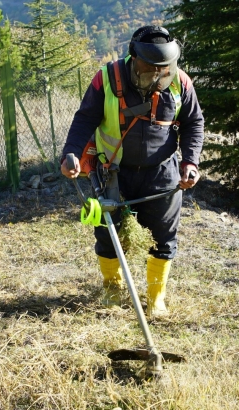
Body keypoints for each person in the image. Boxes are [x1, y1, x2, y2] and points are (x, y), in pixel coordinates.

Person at [60, 25, 205, 317]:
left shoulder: (180, 83)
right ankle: (113, 291)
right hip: (113, 172)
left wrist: (190, 161)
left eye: (164, 66)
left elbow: (193, 122)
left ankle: (156, 299)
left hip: (162, 174)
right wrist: (72, 153)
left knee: (163, 237)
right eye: (150, 65)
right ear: (134, 57)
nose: (158, 71)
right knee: (107, 234)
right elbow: (85, 118)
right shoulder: (106, 78)